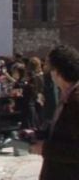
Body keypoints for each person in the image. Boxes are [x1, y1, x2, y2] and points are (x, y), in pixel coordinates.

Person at [32, 44, 79, 180]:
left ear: (57, 72)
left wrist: (45, 149)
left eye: (49, 69)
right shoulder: (68, 96)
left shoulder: (75, 101)